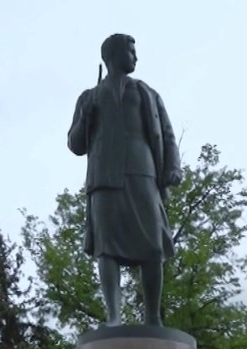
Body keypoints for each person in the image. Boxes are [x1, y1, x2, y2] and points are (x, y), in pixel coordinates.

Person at [68, 33, 182, 327]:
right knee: (106, 247)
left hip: (143, 171)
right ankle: (114, 317)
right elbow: (75, 145)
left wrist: (173, 167)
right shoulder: (89, 97)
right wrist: (85, 117)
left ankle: (152, 317)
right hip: (103, 176)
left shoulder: (146, 92)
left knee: (153, 244)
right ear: (113, 55)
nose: (135, 57)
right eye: (131, 52)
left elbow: (166, 133)